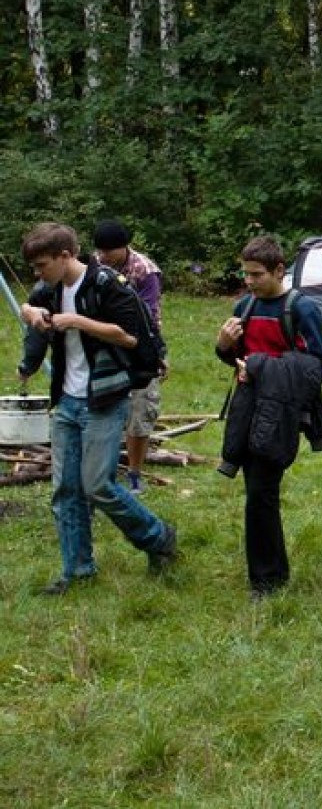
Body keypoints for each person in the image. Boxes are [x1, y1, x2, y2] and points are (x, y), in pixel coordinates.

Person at [18, 222, 178, 595]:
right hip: (68, 402)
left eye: (42, 265)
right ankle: (77, 571)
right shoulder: (50, 289)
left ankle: (159, 538)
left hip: (106, 397)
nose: (38, 274)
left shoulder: (107, 284)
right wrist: (29, 313)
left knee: (97, 486)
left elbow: (131, 336)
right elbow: (31, 307)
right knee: (66, 491)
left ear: (65, 256)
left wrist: (79, 322)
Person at [216, 236, 322, 596]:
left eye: (257, 275)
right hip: (247, 406)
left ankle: (267, 580)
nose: (249, 282)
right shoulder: (245, 306)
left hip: (282, 411)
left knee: (261, 491)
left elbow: (319, 367)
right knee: (257, 490)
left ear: (280, 270)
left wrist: (262, 367)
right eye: (246, 274)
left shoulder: (302, 309)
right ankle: (269, 573)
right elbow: (237, 360)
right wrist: (222, 346)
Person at [92, 219, 164, 494]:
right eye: (100, 251)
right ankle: (104, 472)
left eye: (109, 251)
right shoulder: (95, 268)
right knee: (104, 408)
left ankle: (134, 474)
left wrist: (157, 353)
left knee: (140, 411)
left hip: (139, 346)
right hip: (103, 345)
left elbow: (149, 315)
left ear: (123, 247)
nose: (103, 256)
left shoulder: (144, 271)